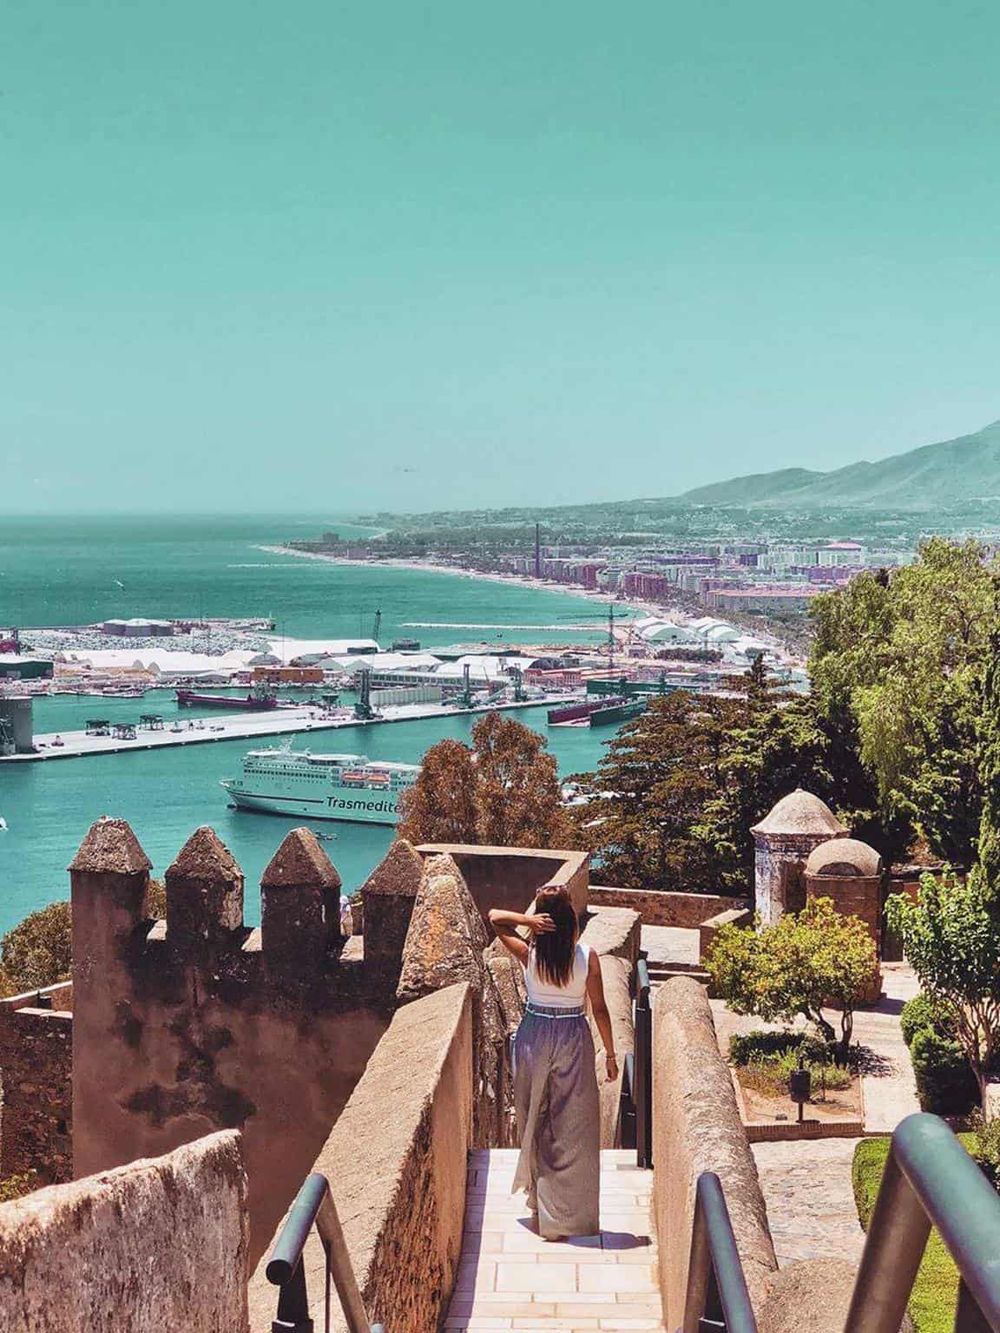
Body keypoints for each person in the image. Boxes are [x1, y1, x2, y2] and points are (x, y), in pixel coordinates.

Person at [489, 885, 618, 1240]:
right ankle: (566, 1214)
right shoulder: (587, 957)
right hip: (573, 1035)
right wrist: (609, 1054)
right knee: (572, 1126)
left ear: (544, 923)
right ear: (572, 922)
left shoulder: (529, 953)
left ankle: (539, 1200)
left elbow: (495, 919)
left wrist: (527, 919)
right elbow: (602, 1010)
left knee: (535, 1115)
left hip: (534, 1033)